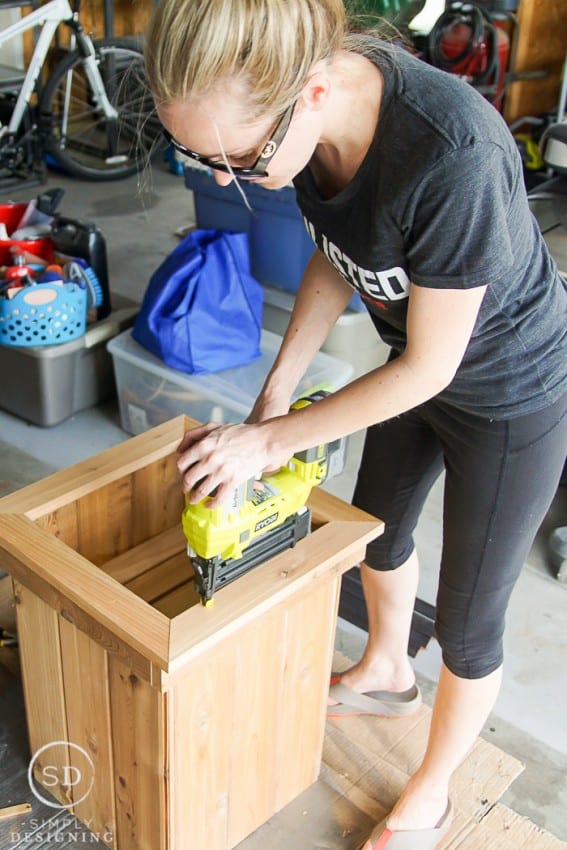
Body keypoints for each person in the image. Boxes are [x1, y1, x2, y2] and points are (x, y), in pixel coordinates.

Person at [145, 1, 567, 847]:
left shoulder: (450, 154)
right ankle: (383, 671)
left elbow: (431, 368)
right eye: (200, 156)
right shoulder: (299, 138)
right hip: (413, 370)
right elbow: (336, 258)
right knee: (374, 537)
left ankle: (434, 788)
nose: (226, 178)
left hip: (506, 393)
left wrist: (267, 444)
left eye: (239, 157)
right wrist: (274, 398)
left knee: (468, 622)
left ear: (310, 90)